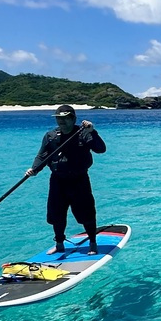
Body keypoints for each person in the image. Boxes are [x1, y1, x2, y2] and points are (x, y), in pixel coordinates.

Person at [26, 104, 107, 254]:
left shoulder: (83, 133)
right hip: (58, 181)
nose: (61, 122)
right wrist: (34, 169)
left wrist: (92, 132)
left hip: (79, 180)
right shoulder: (50, 136)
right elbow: (42, 155)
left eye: (65, 119)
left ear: (73, 119)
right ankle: (59, 244)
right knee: (56, 214)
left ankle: (93, 243)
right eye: (58, 119)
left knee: (86, 213)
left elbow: (101, 149)